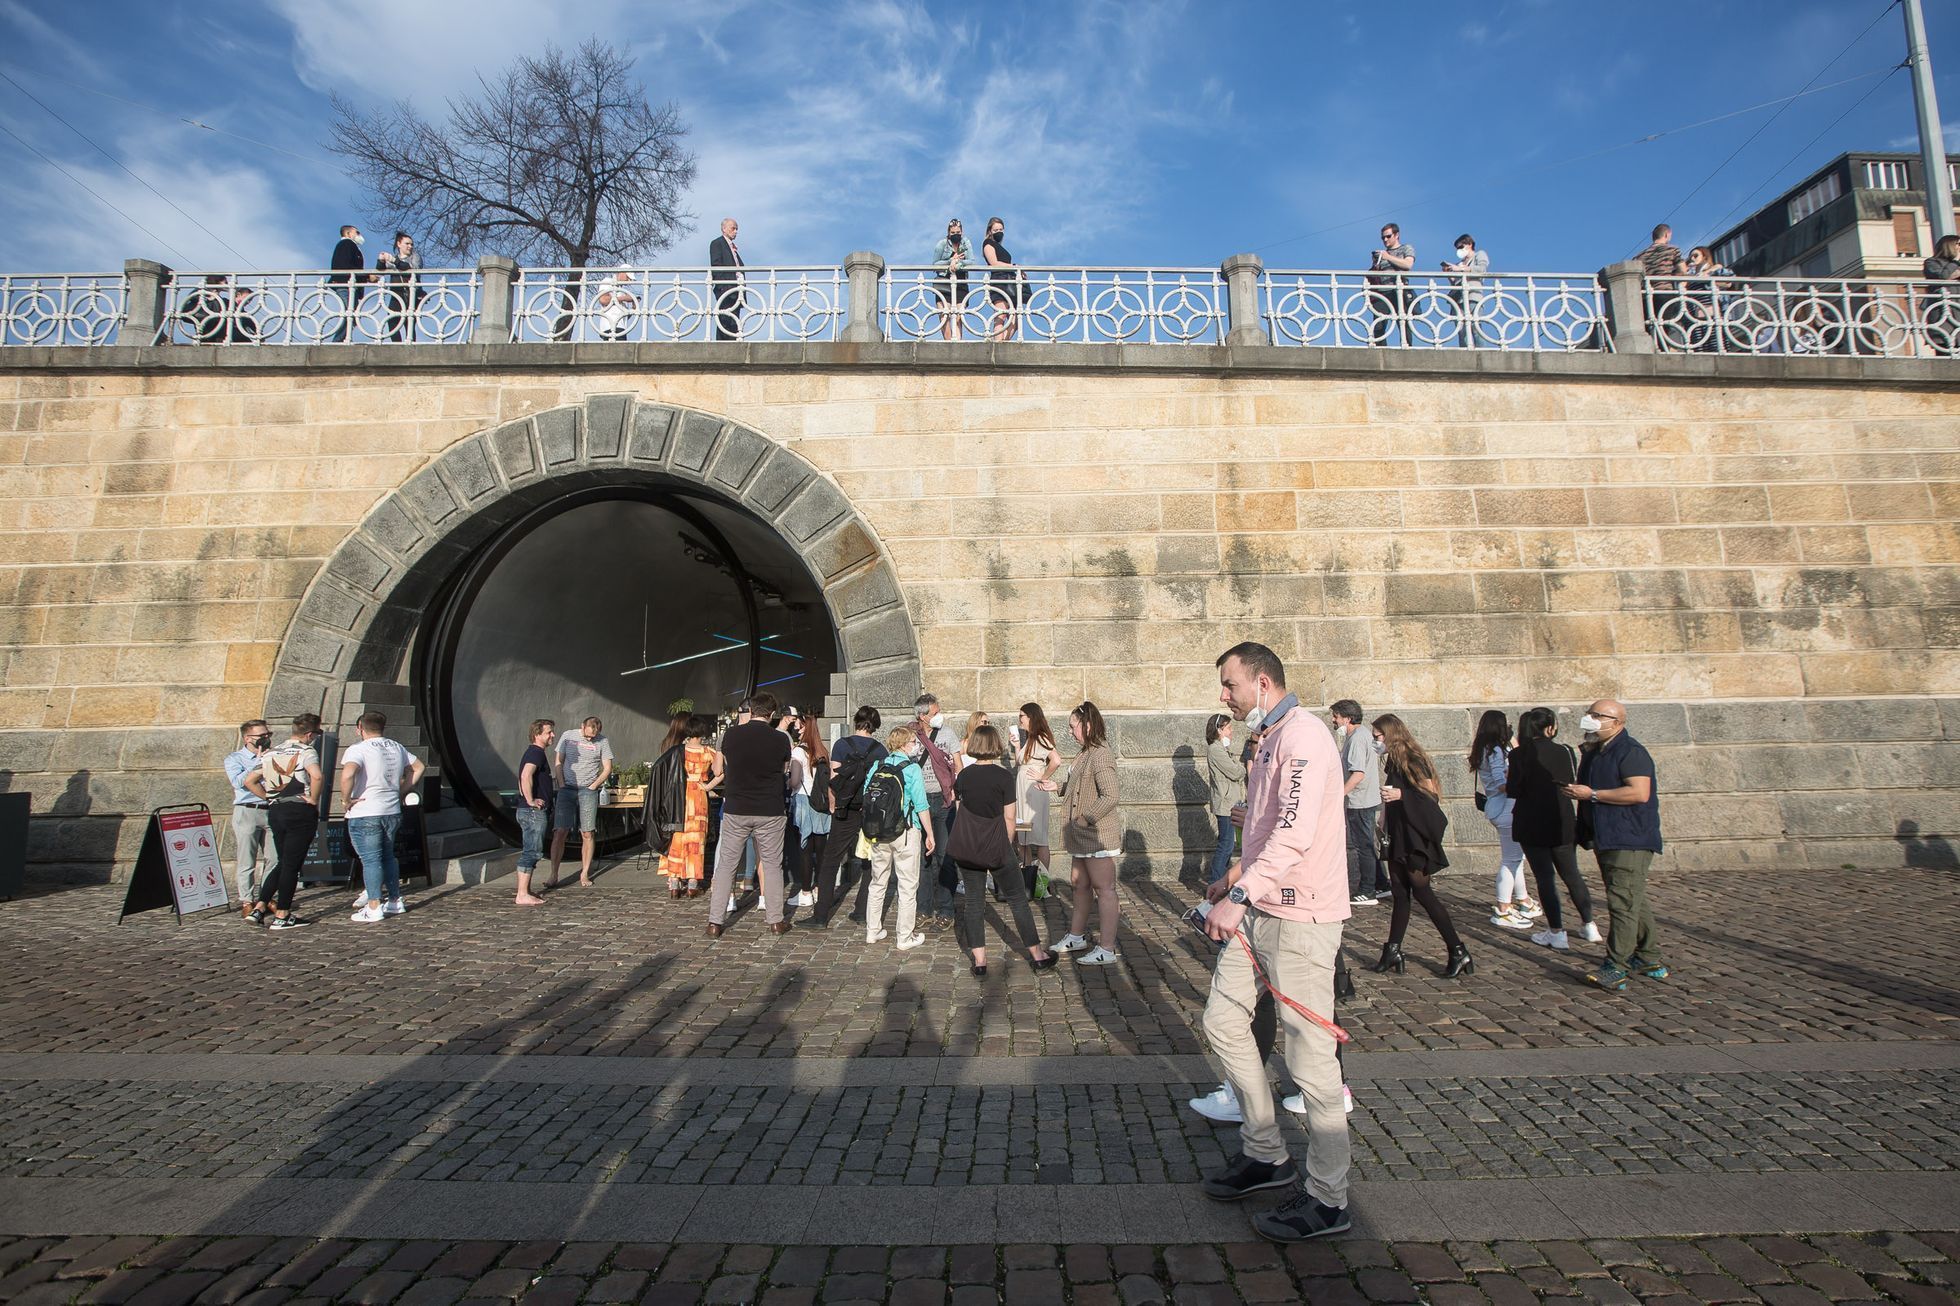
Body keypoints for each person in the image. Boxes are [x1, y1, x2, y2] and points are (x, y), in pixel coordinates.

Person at [1198, 641, 1352, 1243]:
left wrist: (1236, 898)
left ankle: (1328, 1198)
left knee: (1310, 1057)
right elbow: (1268, 832)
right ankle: (1267, 1152)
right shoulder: (1267, 738)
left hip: (1302, 916)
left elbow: (1294, 833)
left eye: (1230, 684)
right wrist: (1235, 876)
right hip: (1260, 904)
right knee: (1223, 1021)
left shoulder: (1305, 738)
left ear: (1262, 682)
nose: (1224, 696)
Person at [1566, 699, 1665, 991]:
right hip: (1607, 835)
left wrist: (1592, 794)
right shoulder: (1596, 751)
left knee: (1621, 902)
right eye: (1589, 714)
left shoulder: (1631, 752)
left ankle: (1616, 965)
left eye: (1597, 715)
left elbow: (1638, 792)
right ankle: (1648, 957)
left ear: (1617, 722)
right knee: (1631, 896)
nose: (1590, 719)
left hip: (1628, 836)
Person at [947, 725, 1057, 976]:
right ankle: (1038, 955)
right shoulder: (1003, 777)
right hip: (997, 843)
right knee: (1018, 899)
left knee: (973, 902)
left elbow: (959, 810)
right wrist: (1006, 846)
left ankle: (980, 961)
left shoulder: (963, 777)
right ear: (995, 745)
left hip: (969, 845)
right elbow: (1010, 818)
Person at [1370, 713, 1471, 979]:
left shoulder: (1413, 760)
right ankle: (1393, 950)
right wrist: (1384, 817)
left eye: (1377, 736)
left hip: (1414, 836)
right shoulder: (1393, 761)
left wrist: (1401, 795)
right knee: (1400, 893)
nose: (1375, 741)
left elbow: (1431, 796)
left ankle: (1457, 949)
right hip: (1398, 832)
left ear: (1390, 734)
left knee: (1423, 892)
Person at [1508, 706, 1600, 951]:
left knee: (1545, 878)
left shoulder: (1518, 755)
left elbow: (1514, 790)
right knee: (1572, 874)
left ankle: (1557, 931)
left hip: (1532, 820)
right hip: (1561, 818)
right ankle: (1589, 923)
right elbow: (1570, 779)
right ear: (1550, 727)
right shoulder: (1565, 751)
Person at [706, 691, 793, 937]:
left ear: (751, 710)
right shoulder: (780, 739)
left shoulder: (731, 735)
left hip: (736, 807)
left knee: (726, 866)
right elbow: (783, 770)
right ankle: (776, 920)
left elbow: (721, 766)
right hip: (770, 809)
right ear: (772, 714)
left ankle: (715, 921)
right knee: (773, 865)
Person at [1042, 701, 1122, 966]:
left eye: (1073, 726)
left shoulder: (1100, 753)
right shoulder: (1086, 752)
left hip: (1095, 834)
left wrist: (1085, 819)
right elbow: (1081, 786)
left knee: (1104, 888)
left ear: (1087, 725)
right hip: (1081, 835)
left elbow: (1110, 795)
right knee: (1080, 884)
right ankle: (1076, 936)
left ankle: (1107, 948)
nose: (1070, 732)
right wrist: (1058, 786)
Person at [339, 711, 425, 923]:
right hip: (391, 809)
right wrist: (402, 790)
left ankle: (374, 905)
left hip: (366, 810)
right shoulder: (395, 746)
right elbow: (419, 767)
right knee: (388, 856)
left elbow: (348, 773)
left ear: (360, 727)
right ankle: (395, 900)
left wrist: (345, 799)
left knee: (370, 859)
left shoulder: (358, 749)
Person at [860, 724, 935, 950]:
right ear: (903, 744)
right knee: (908, 885)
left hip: (878, 832)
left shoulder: (876, 766)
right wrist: (930, 834)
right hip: (905, 831)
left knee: (877, 882)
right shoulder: (912, 770)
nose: (916, 746)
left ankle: (872, 931)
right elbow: (921, 805)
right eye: (913, 742)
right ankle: (904, 937)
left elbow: (866, 794)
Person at [247, 713, 324, 930]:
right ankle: (282, 914)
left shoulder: (274, 751)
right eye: (316, 733)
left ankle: (259, 907)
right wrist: (314, 799)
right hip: (299, 809)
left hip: (276, 810)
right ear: (309, 734)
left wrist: (268, 797)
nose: (316, 737)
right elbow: (316, 776)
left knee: (282, 861)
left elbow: (249, 780)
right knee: (291, 865)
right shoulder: (306, 751)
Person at [816, 706, 885, 926]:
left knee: (831, 861)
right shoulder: (880, 750)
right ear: (875, 725)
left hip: (846, 810)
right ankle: (862, 911)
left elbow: (834, 780)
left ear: (856, 721)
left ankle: (821, 915)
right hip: (870, 810)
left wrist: (835, 806)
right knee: (869, 861)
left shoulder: (842, 745)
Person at [1470, 709, 1537, 931]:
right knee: (1511, 860)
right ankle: (1503, 908)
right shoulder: (1495, 750)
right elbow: (1501, 782)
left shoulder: (1485, 748)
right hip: (1505, 806)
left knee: (1516, 857)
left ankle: (1524, 900)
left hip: (1497, 806)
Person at [653, 714, 718, 900]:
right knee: (697, 841)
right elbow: (722, 772)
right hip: (698, 796)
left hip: (679, 797)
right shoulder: (708, 752)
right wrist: (708, 786)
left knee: (677, 838)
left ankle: (674, 882)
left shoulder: (678, 751)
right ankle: (692, 883)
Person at [912, 694, 961, 928]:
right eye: (935, 712)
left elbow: (958, 766)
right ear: (922, 716)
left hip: (944, 802)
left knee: (944, 856)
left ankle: (946, 909)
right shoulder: (911, 736)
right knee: (923, 858)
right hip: (919, 804)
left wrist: (955, 792)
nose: (940, 716)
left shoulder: (948, 734)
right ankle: (923, 907)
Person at [1328, 700, 1383, 907]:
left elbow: (1358, 773)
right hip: (1362, 799)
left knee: (1364, 846)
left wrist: (1338, 795)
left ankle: (1368, 890)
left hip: (1360, 800)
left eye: (1336, 716)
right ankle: (1381, 883)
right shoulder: (1359, 736)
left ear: (1347, 718)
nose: (1334, 720)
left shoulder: (1357, 739)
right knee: (1366, 844)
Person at [548, 717, 613, 888]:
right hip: (567, 788)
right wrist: (561, 783)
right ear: (582, 727)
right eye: (589, 734)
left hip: (587, 790)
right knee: (560, 831)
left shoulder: (602, 741)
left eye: (595, 735)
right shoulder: (568, 736)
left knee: (588, 832)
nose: (591, 737)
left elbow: (607, 767)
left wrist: (594, 785)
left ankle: (584, 872)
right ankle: (553, 873)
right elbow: (558, 761)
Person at [223, 719, 274, 921]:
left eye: (267, 735)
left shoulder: (273, 754)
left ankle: (266, 897)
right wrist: (258, 762)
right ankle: (246, 900)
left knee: (274, 858)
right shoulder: (234, 758)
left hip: (270, 809)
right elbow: (238, 782)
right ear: (247, 738)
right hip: (247, 810)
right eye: (261, 736)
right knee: (247, 858)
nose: (266, 739)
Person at [1014, 702, 1061, 890]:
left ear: (1031, 717)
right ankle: (1029, 879)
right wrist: (1017, 745)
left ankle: (1042, 884)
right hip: (1024, 792)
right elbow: (1021, 762)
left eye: (1022, 716)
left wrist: (1043, 777)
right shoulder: (1030, 739)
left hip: (1034, 793)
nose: (1020, 720)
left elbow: (1056, 760)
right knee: (1022, 836)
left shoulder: (1041, 737)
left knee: (1040, 838)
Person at [512, 719, 556, 906]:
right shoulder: (536, 753)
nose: (552, 735)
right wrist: (530, 800)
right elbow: (525, 775)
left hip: (529, 810)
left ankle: (526, 890)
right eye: (548, 732)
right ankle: (522, 894)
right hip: (532, 812)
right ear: (537, 734)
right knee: (531, 851)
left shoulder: (535, 753)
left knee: (532, 850)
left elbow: (522, 777)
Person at [790, 714, 831, 907]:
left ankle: (805, 892)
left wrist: (788, 781)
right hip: (821, 802)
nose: (797, 729)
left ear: (805, 728)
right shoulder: (823, 750)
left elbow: (795, 780)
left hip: (804, 800)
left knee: (805, 848)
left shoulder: (798, 752)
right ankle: (819, 888)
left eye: (799, 726)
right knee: (821, 848)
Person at [1204, 713, 1245, 885]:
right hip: (1226, 804)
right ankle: (1215, 882)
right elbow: (1236, 772)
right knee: (1226, 845)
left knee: (1229, 845)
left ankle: (1222, 881)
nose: (1231, 731)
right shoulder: (1216, 749)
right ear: (1219, 730)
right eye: (1228, 728)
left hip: (1232, 803)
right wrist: (1242, 768)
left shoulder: (1223, 749)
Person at [1366, 222, 1416, 346]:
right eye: (1383, 237)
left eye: (1388, 236)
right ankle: (1381, 351)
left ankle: (1407, 349)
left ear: (1397, 235)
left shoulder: (1406, 248)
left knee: (1403, 322)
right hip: (1382, 292)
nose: (1385, 239)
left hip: (1399, 290)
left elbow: (1408, 265)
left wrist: (1388, 257)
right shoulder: (1381, 254)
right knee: (1378, 325)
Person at [1441, 233, 1489, 347]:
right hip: (1459, 299)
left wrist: (1461, 269)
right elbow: (1455, 283)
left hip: (1473, 296)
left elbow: (1482, 270)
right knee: (1461, 330)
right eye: (1457, 248)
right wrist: (1449, 274)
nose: (1459, 250)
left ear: (1470, 244)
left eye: (1461, 247)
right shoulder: (1460, 264)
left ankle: (1481, 352)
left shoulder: (1479, 254)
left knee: (1475, 327)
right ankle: (1465, 352)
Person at [375, 232, 423, 342]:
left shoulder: (415, 257)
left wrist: (393, 261)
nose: (410, 246)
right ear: (399, 244)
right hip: (396, 295)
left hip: (411, 295)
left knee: (409, 323)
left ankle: (410, 346)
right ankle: (397, 345)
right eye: (407, 244)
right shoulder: (395, 258)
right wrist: (381, 260)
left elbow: (411, 270)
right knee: (391, 321)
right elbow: (380, 271)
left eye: (411, 244)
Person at [981, 216, 1021, 343]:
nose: (999, 232)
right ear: (990, 231)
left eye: (1001, 230)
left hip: (1009, 281)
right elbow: (993, 263)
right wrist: (1013, 266)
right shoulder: (988, 244)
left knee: (1015, 319)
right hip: (999, 280)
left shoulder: (1000, 247)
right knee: (1001, 314)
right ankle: (998, 342)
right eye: (996, 230)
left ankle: (1003, 343)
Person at [933, 218, 973, 340]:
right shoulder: (942, 244)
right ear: (949, 233)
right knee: (944, 314)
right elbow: (934, 265)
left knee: (959, 315)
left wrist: (958, 263)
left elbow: (971, 262)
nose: (956, 235)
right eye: (953, 233)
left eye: (958, 232)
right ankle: (948, 343)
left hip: (960, 282)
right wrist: (950, 260)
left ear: (962, 232)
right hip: (943, 281)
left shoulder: (965, 243)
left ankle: (957, 342)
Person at [327, 224, 366, 344]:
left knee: (350, 315)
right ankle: (337, 342)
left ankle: (342, 340)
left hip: (347, 284)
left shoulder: (349, 246)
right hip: (346, 284)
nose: (360, 235)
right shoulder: (347, 244)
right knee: (349, 315)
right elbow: (346, 265)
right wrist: (367, 276)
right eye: (357, 232)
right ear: (348, 234)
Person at [1923, 234, 1960, 358]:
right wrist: (1955, 261)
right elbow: (1942, 277)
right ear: (1949, 246)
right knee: (1945, 353)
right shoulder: (1931, 262)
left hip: (1958, 312)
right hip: (1943, 315)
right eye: (1958, 244)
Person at [709, 217, 744, 341]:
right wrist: (723, 286)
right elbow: (716, 265)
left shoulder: (733, 249)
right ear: (724, 229)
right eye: (733, 228)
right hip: (726, 289)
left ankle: (733, 347)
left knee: (734, 322)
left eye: (736, 229)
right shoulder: (717, 243)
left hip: (736, 291)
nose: (735, 231)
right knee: (724, 320)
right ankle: (722, 350)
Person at [593, 269, 639, 341]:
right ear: (622, 273)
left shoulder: (622, 291)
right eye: (628, 277)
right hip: (610, 326)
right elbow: (603, 299)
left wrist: (634, 307)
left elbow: (623, 316)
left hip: (621, 328)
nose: (629, 281)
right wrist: (624, 298)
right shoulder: (608, 281)